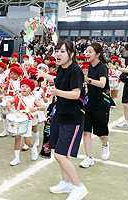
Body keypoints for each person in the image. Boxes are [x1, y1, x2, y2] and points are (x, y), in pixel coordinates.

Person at [38, 40, 88, 199]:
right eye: (57, 51)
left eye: (62, 51)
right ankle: (66, 183)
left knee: (60, 155)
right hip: (59, 115)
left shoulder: (75, 71)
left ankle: (78, 186)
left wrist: (57, 92)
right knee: (60, 153)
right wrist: (44, 75)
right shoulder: (62, 69)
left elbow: (76, 94)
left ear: (71, 54)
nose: (58, 54)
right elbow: (58, 81)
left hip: (72, 119)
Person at [80, 43, 111, 169]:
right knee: (86, 131)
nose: (87, 53)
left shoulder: (102, 67)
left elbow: (102, 84)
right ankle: (88, 157)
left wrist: (88, 80)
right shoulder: (90, 67)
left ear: (98, 54)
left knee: (101, 134)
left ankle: (105, 145)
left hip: (101, 105)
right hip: (89, 104)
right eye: (86, 51)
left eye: (90, 51)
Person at [6, 78, 45, 166]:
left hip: (27, 121)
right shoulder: (17, 97)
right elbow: (9, 101)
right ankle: (17, 159)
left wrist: (36, 108)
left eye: (26, 87)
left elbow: (43, 107)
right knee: (17, 140)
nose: (24, 88)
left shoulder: (33, 99)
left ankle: (33, 148)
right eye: (22, 86)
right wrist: (8, 103)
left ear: (31, 89)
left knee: (27, 142)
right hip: (17, 120)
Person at [114, 43, 128, 129]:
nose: (124, 51)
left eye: (125, 49)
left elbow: (127, 70)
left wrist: (116, 68)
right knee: (125, 103)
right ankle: (126, 121)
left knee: (127, 104)